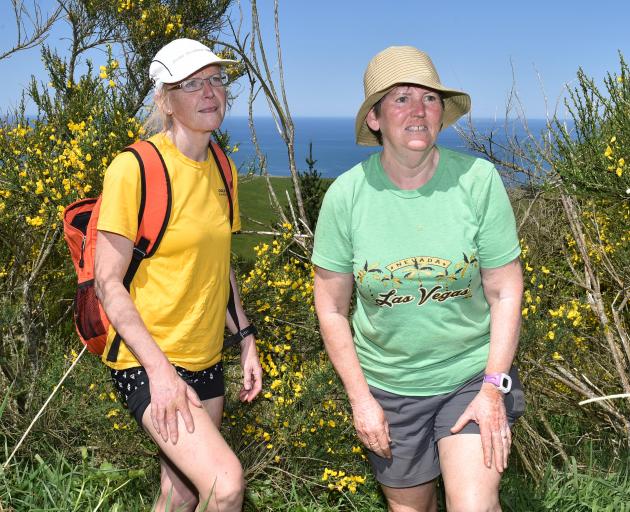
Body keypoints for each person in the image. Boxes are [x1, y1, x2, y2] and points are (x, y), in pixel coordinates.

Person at [312, 46, 525, 512]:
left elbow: (505, 289)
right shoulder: (346, 198)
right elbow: (330, 309)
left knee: (474, 505)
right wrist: (361, 400)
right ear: (375, 118)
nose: (418, 111)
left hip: (469, 374)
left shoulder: (477, 181)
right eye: (401, 99)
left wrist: (493, 387)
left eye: (429, 99)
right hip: (388, 386)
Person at [94, 38, 262, 512]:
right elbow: (108, 283)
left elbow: (218, 266)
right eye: (192, 83)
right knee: (224, 485)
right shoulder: (135, 169)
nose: (209, 92)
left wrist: (245, 336)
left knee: (182, 491)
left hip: (205, 355)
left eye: (216, 79)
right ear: (165, 100)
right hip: (146, 359)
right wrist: (161, 372)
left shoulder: (223, 168)